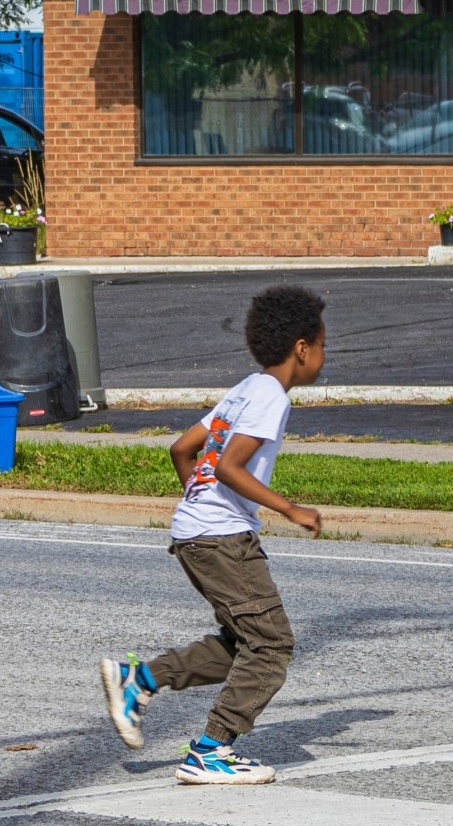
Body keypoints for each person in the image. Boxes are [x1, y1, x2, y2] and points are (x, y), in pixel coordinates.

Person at [96, 284, 328, 784]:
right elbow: (227, 466)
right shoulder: (269, 396)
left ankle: (141, 679)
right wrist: (291, 509)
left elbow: (183, 450)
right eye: (323, 345)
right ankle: (212, 750)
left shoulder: (246, 388)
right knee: (271, 647)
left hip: (196, 532)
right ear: (302, 348)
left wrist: (197, 505)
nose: (324, 356)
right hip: (221, 538)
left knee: (244, 640)